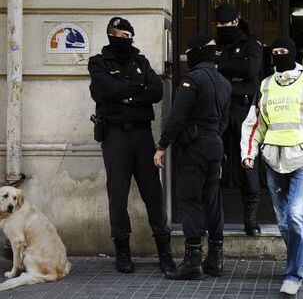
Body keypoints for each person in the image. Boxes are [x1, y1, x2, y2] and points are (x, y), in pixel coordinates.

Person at [241, 37, 303, 295]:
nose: (279, 56)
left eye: (284, 52)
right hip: (273, 160)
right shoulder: (266, 85)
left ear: (293, 53)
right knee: (284, 222)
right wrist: (248, 153)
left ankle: (293, 274)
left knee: (295, 215)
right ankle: (301, 262)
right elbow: (255, 122)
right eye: (275, 53)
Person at [88, 17, 175, 275]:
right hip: (115, 136)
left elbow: (156, 91)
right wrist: (137, 92)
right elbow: (104, 89)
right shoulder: (98, 63)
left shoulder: (141, 61)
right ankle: (122, 253)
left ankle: (165, 253)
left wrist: (125, 98)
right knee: (118, 195)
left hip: (142, 136)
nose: (125, 39)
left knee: (153, 194)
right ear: (110, 35)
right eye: (119, 34)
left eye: (128, 35)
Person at [154, 33, 231, 280]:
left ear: (195, 53)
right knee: (213, 200)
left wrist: (162, 145)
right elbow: (225, 121)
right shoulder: (224, 82)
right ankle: (216, 259)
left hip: (194, 147)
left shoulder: (193, 80)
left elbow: (176, 116)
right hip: (215, 145)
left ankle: (193, 261)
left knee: (190, 200)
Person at [215, 4, 263, 236]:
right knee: (215, 162)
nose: (224, 28)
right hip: (219, 109)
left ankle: (250, 219)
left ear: (237, 21)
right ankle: (213, 217)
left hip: (243, 110)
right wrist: (235, 70)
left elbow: (251, 69)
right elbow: (206, 70)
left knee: (247, 162)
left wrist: (222, 67)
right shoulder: (213, 46)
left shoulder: (251, 44)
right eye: (220, 25)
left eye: (228, 24)